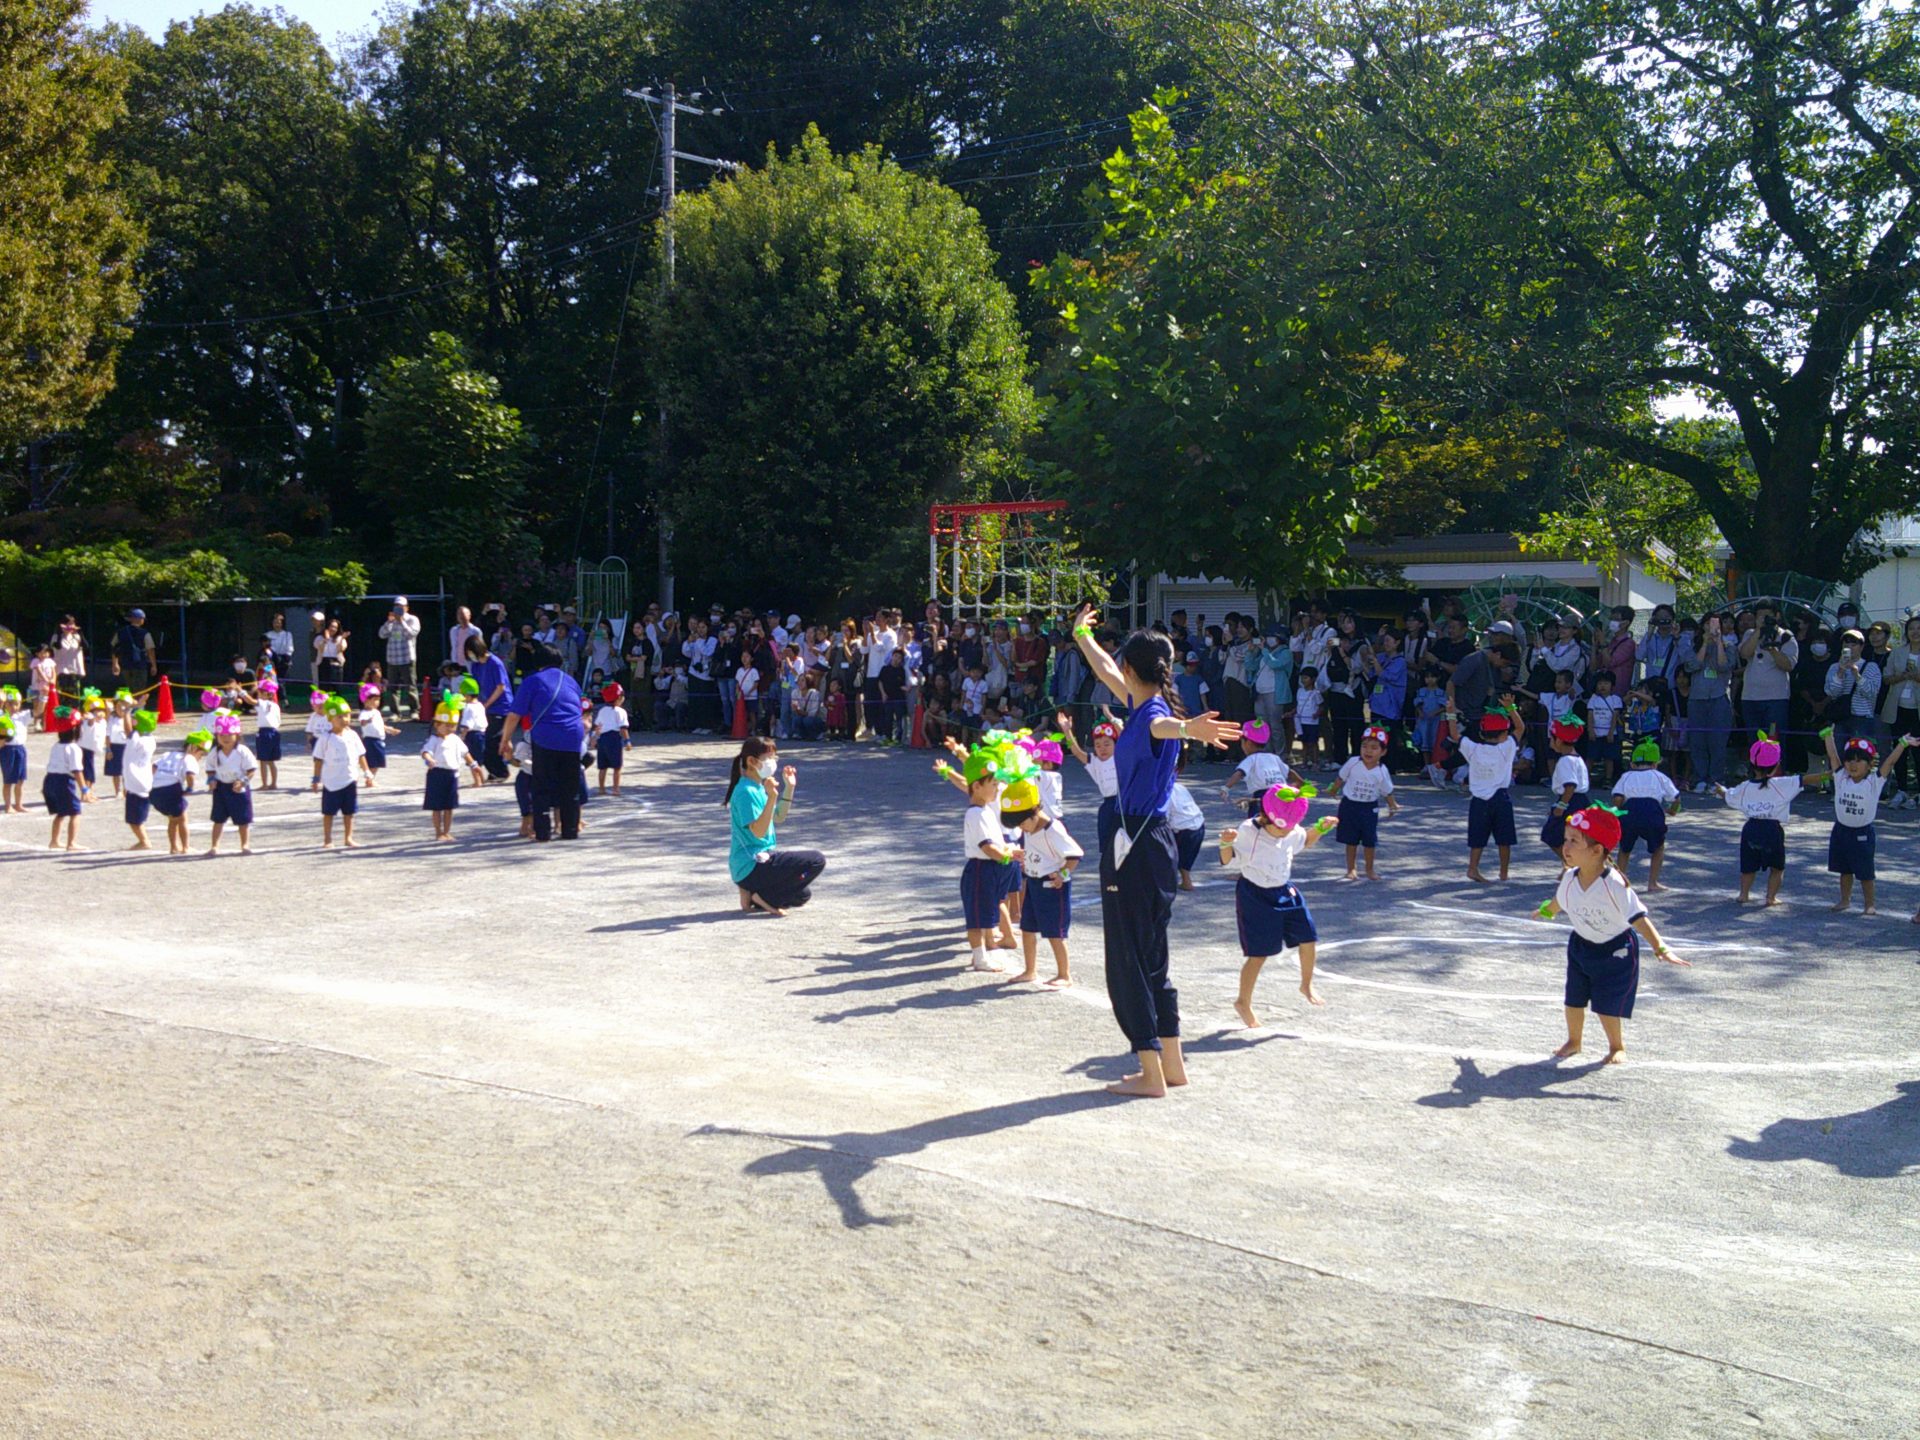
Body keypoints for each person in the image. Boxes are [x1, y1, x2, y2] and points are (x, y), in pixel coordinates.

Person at [1065, 603, 1239, 1098]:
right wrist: (1082, 637)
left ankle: (1149, 1069)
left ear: (1131, 667)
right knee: (1152, 954)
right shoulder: (1141, 702)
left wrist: (1188, 730)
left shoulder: (1155, 716)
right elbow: (1104, 669)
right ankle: (1172, 1064)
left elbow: (1163, 729)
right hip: (1154, 842)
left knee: (1128, 958)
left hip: (1137, 844)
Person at [1535, 805, 1689, 1064]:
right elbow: (1560, 901)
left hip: (1616, 950)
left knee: (1607, 1004)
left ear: (1597, 851)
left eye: (1574, 841)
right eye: (1565, 839)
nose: (1565, 847)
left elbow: (1639, 918)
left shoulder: (1614, 884)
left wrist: (1661, 948)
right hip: (1581, 946)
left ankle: (1617, 1046)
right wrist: (1545, 911)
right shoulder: (1570, 877)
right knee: (1573, 999)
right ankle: (1574, 1041)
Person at [1221, 784, 1337, 1025]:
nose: (1286, 832)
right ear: (1266, 817)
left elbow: (1304, 841)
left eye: (1291, 827)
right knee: (1259, 954)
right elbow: (1229, 861)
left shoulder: (1291, 829)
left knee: (1308, 937)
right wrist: (1225, 843)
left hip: (1285, 890)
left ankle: (1306, 984)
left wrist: (1320, 828)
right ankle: (1243, 1001)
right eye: (1281, 828)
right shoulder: (1249, 831)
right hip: (1255, 894)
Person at [725, 735, 825, 916]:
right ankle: (762, 897)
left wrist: (789, 788)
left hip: (759, 861)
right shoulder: (746, 791)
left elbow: (778, 817)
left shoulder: (757, 786)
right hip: (751, 863)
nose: (772, 763)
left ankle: (753, 894)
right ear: (751, 761)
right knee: (816, 860)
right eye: (768, 758)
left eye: (774, 758)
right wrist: (771, 797)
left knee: (801, 895)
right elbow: (758, 832)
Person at [500, 644, 586, 842]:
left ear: (537, 661)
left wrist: (505, 740)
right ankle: (570, 830)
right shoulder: (571, 680)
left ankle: (543, 832)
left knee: (541, 787)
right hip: (573, 736)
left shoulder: (533, 681)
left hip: (546, 737)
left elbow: (514, 714)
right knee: (570, 786)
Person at [1820, 727, 1909, 915]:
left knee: (1866, 872)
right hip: (1841, 831)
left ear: (1869, 765)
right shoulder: (1840, 777)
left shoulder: (1874, 781)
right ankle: (1845, 900)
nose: (1853, 765)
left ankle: (1869, 904)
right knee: (1844, 870)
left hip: (1862, 833)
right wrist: (1829, 736)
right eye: (1849, 760)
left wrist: (1902, 743)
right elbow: (1833, 756)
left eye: (1859, 760)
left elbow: (1890, 762)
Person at [1006, 779, 1082, 987]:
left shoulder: (1052, 829)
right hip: (1033, 882)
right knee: (1027, 927)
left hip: (1052, 885)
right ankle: (1030, 970)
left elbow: (1075, 855)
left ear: (1034, 813)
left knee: (1055, 932)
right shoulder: (1030, 828)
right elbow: (1038, 851)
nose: (1021, 828)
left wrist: (1062, 874)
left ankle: (1064, 974)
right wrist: (1024, 857)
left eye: (1022, 823)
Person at [1449, 704, 1524, 883]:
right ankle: (1503, 873)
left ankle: (1472, 868)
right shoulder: (1507, 748)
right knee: (1504, 839)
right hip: (1500, 798)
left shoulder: (1474, 749)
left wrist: (1450, 713)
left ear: (1481, 734)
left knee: (1477, 837)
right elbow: (1520, 728)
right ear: (1504, 734)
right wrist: (1510, 708)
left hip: (1479, 800)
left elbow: (1455, 735)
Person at [1326, 724, 1399, 880]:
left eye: (1374, 748)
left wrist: (1392, 805)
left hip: (1369, 807)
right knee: (1351, 839)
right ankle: (1351, 869)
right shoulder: (1353, 762)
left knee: (1369, 840)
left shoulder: (1382, 771)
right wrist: (1333, 790)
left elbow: (1387, 791)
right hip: (1349, 805)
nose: (1368, 751)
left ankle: (1369, 869)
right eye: (1364, 746)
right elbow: (1340, 778)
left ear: (1383, 752)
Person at [1611, 740, 1680, 892]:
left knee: (1625, 848)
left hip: (1630, 811)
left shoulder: (1626, 776)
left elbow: (1617, 797)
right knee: (1658, 847)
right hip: (1652, 812)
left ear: (1632, 764)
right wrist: (1672, 810)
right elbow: (1676, 798)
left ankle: (1619, 882)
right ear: (1655, 764)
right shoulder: (1660, 776)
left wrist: (1617, 811)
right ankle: (1652, 883)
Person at [1681, 615, 1736, 790]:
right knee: (1698, 741)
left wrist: (1718, 642)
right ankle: (1700, 778)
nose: (1711, 628)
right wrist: (1704, 643)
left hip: (1718, 698)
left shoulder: (1729, 646)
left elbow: (1723, 666)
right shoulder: (1693, 645)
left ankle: (1716, 780)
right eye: (1708, 624)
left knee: (1717, 742)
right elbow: (1692, 665)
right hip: (1697, 699)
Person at [311, 697, 371, 847]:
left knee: (349, 812)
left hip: (350, 780)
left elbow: (360, 755)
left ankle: (348, 838)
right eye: (339, 717)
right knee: (329, 812)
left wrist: (367, 772)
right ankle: (327, 839)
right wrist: (316, 778)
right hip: (331, 783)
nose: (344, 719)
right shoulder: (325, 738)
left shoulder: (353, 735)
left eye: (347, 715)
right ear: (330, 719)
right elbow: (318, 759)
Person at [423, 698, 483, 841]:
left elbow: (465, 753)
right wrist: (429, 759)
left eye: (453, 726)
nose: (451, 729)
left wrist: (474, 765)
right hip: (437, 774)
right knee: (437, 806)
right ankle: (438, 832)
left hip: (452, 775)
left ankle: (447, 831)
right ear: (437, 724)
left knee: (449, 806)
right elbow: (426, 752)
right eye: (447, 725)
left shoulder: (455, 739)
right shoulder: (434, 740)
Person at [1738, 604, 1798, 742]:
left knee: (1773, 739)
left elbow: (1788, 665)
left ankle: (1775, 757)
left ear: (1777, 616)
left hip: (1775, 700)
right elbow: (1744, 654)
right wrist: (1759, 630)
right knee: (1755, 740)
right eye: (1760, 616)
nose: (1764, 619)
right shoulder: (1750, 634)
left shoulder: (1786, 636)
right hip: (1750, 699)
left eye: (1767, 616)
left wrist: (1772, 650)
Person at [205, 712, 258, 855]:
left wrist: (243, 782)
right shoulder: (214, 752)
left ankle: (245, 844)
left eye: (229, 735)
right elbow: (210, 769)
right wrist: (211, 780)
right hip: (221, 788)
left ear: (237, 735)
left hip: (239, 788)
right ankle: (214, 846)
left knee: (243, 819)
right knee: (218, 818)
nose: (225, 738)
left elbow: (251, 770)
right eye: (222, 735)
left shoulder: (242, 751)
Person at [464, 636, 513, 780]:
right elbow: (476, 686)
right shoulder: (476, 665)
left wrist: (486, 704)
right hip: (484, 707)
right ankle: (494, 770)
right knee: (482, 740)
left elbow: (500, 687)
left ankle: (501, 771)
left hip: (501, 707)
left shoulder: (495, 663)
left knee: (492, 740)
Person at [1824, 628, 1883, 747]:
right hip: (1840, 718)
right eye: (1846, 644)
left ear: (1861, 647)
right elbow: (1831, 692)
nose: (1849, 647)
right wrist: (1840, 672)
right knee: (1838, 753)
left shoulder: (1871, 666)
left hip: (1862, 718)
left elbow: (1871, 693)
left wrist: (1856, 674)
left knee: (1859, 753)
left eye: (1853, 644)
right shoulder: (1834, 667)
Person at [1541, 715, 1590, 853]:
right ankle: (1571, 862)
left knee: (1551, 835)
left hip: (1571, 802)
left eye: (1552, 739)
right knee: (1569, 837)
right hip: (1579, 801)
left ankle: (1570, 862)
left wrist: (1560, 807)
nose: (1550, 742)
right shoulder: (1577, 758)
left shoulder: (1565, 761)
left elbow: (1570, 786)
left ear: (1559, 740)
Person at [43, 706, 84, 851]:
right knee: (75, 812)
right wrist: (84, 789)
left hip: (49, 780)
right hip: (63, 782)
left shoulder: (56, 746)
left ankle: (54, 841)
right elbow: (77, 770)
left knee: (61, 813)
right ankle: (71, 843)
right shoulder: (74, 748)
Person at [121, 708, 159, 849]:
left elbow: (128, 730)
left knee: (133, 819)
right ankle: (143, 840)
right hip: (143, 781)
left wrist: (126, 712)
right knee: (136, 816)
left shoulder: (136, 740)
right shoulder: (151, 739)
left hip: (137, 784)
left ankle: (144, 841)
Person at [378, 598, 422, 717]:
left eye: (401, 606)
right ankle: (395, 712)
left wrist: (401, 621)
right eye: (396, 606)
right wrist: (389, 622)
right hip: (392, 659)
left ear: (407, 608)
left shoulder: (412, 619)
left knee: (410, 686)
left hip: (407, 658)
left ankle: (414, 711)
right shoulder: (391, 621)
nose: (398, 608)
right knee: (392, 688)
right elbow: (381, 634)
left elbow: (411, 634)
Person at [591, 683, 630, 794]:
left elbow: (597, 726)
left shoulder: (602, 710)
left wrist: (594, 738)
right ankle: (616, 789)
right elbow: (623, 728)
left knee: (602, 767)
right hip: (614, 739)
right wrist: (627, 741)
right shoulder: (621, 711)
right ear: (618, 698)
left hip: (602, 739)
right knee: (617, 766)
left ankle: (601, 789)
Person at [111, 608, 158, 694]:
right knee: (139, 691)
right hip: (140, 666)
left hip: (125, 665)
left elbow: (114, 648)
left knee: (128, 690)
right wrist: (153, 665)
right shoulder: (145, 633)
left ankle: (129, 702)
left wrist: (115, 663)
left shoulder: (120, 632)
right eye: (142, 618)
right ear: (139, 619)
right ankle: (137, 703)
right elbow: (150, 650)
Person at [0, 688, 28, 812]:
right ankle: (8, 806)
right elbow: (2, 739)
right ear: (5, 704)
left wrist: (44, 696)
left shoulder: (21, 716)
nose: (13, 707)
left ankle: (18, 804)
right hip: (7, 750)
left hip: (20, 749)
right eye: (10, 704)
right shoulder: (2, 718)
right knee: (8, 780)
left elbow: (39, 711)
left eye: (16, 704)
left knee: (21, 780)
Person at [264, 611, 297, 688]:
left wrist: (286, 658)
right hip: (270, 660)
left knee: (281, 681)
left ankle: (282, 694)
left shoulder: (287, 634)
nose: (277, 624)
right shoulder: (267, 635)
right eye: (275, 622)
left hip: (283, 660)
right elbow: (266, 648)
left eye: (279, 622)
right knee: (269, 678)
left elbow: (290, 648)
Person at [448, 606, 482, 672]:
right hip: (456, 665)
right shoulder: (453, 631)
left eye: (463, 614)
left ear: (469, 616)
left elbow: (479, 648)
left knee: (468, 678)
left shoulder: (475, 631)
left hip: (470, 665)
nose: (461, 617)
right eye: (459, 614)